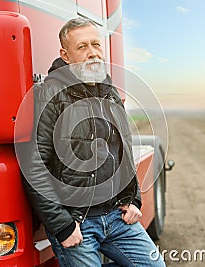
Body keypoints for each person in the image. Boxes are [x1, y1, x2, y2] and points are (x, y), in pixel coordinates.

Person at [21, 17, 166, 267]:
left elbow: (123, 149)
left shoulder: (108, 91)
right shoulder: (49, 94)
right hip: (77, 222)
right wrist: (63, 226)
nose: (93, 54)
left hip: (117, 217)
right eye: (82, 47)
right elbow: (34, 166)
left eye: (96, 45)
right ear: (65, 55)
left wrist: (133, 198)